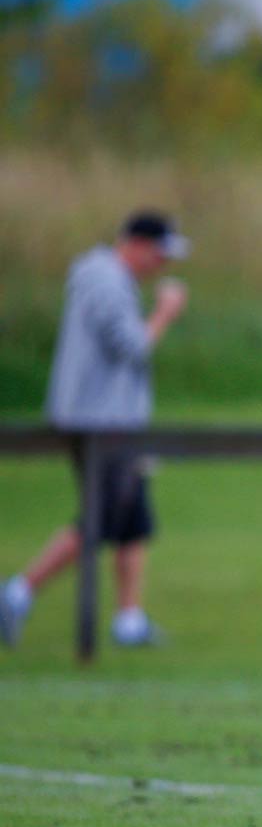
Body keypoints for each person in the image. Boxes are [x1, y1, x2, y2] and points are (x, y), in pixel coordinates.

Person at [0, 211, 190, 650]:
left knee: (133, 517)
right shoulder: (106, 281)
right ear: (139, 245)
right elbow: (132, 346)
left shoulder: (104, 277)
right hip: (101, 423)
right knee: (103, 515)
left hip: (113, 419)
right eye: (160, 255)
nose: (161, 265)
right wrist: (164, 313)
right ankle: (18, 592)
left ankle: (129, 619)